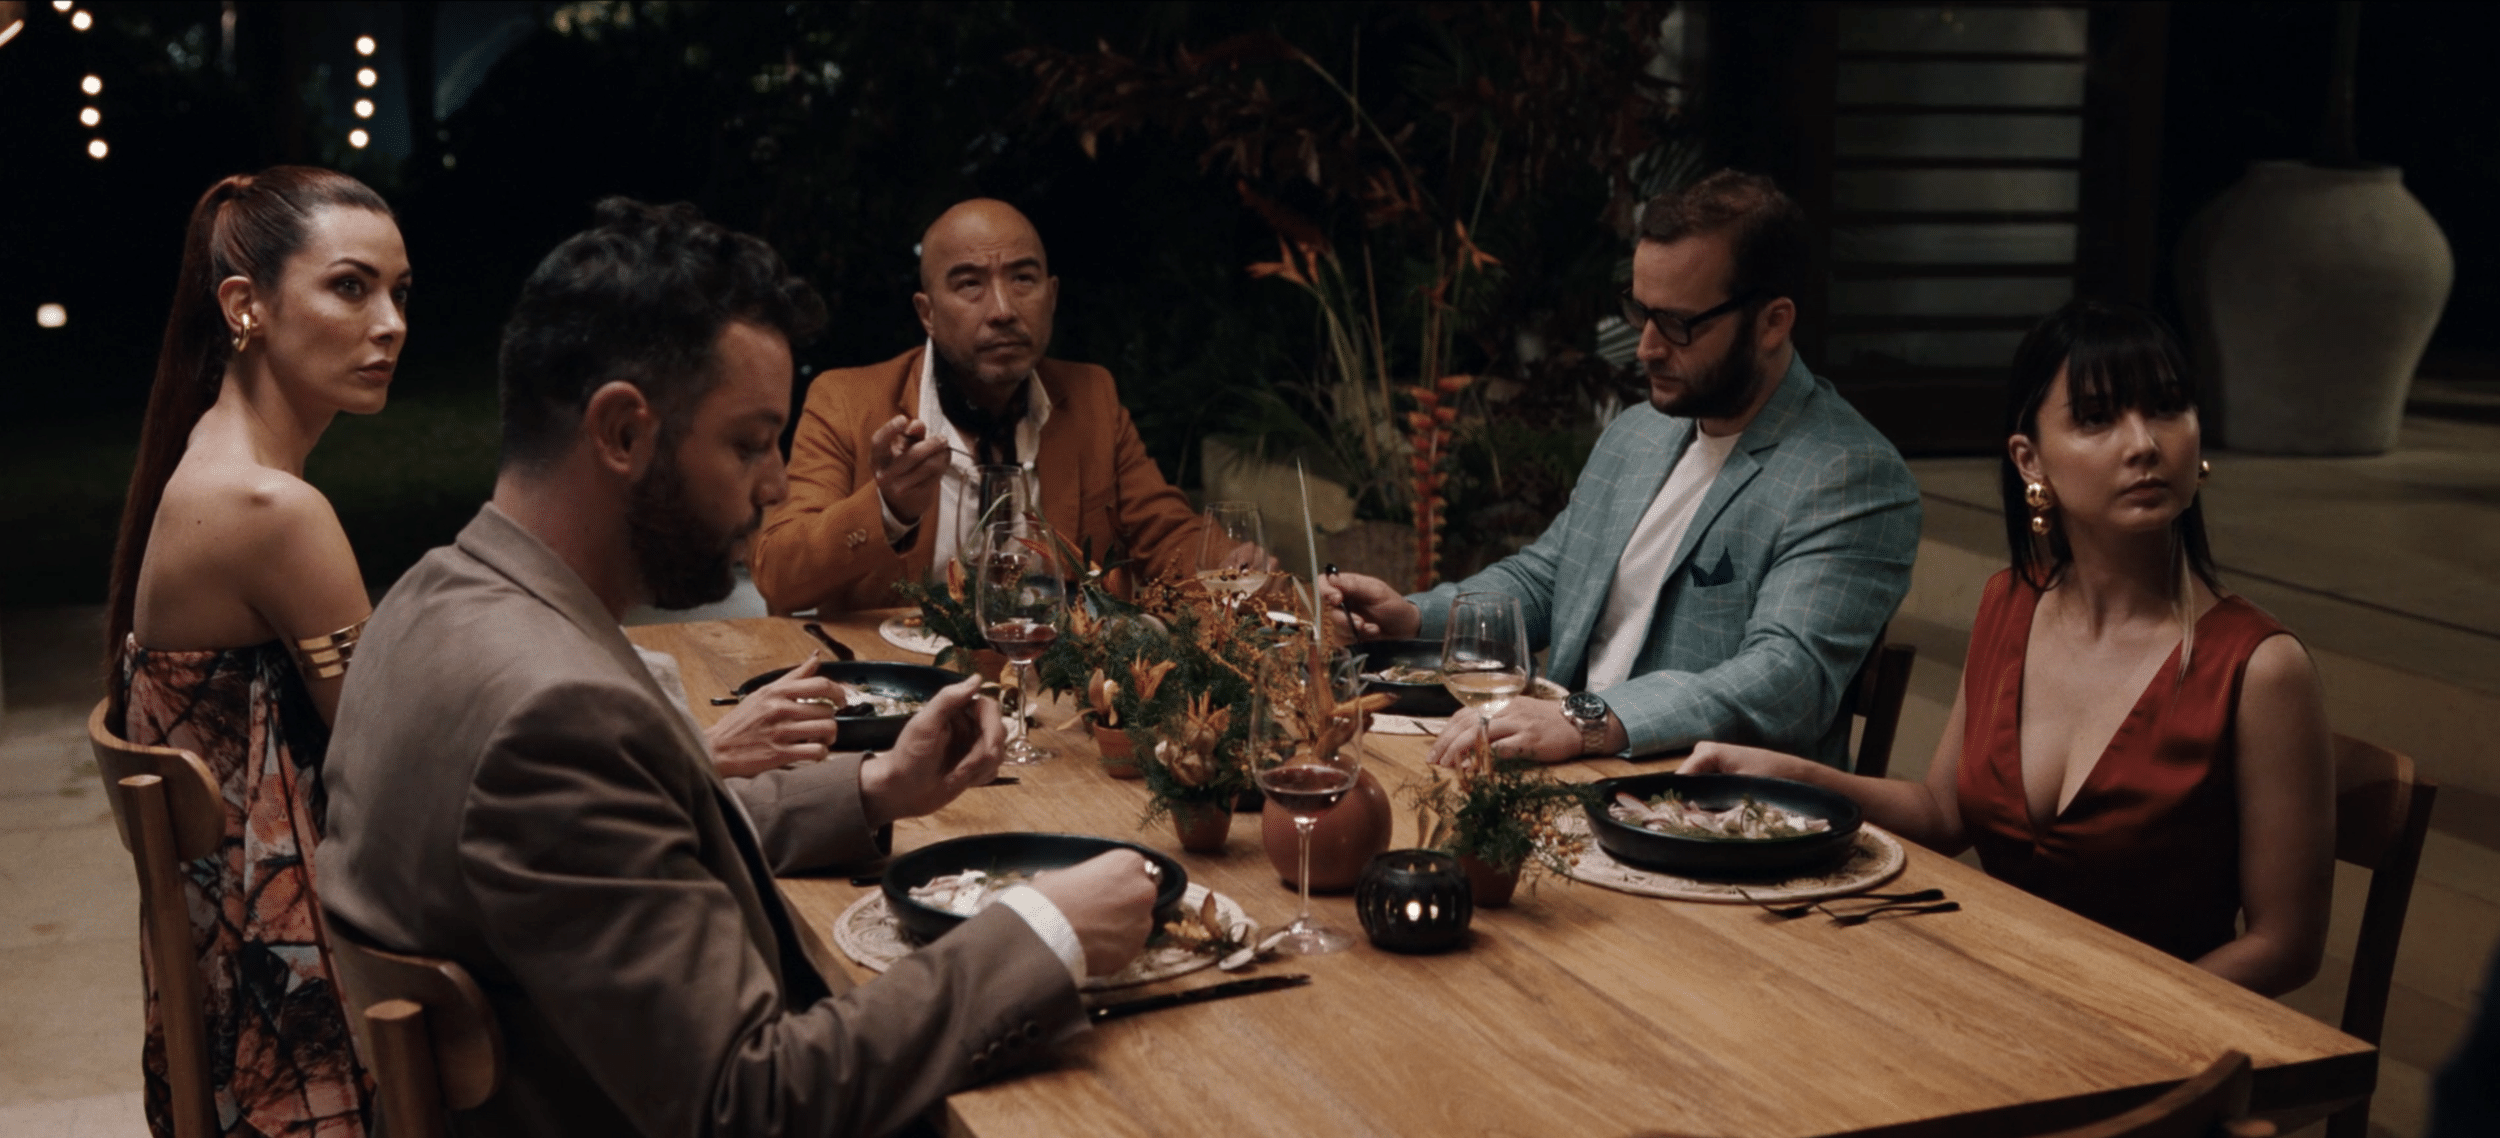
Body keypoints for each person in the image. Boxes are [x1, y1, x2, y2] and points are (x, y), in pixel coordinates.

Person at [315, 198, 1159, 1137]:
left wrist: (873, 787)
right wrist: (1043, 934)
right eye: (749, 444)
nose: (774, 485)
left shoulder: (427, 599)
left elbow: (617, 846)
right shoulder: (553, 716)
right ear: (622, 433)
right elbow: (748, 1103)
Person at [1685, 300, 2334, 995]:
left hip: (2166, 1030)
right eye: (2097, 417)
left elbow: (2284, 945)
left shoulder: (2261, 668)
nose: (2144, 443)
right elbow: (1942, 813)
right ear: (2030, 459)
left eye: (2168, 408)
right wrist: (1784, 777)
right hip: (1997, 991)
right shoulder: (2010, 603)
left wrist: (2127, 1017)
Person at [1322, 170, 1920, 768]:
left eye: (1679, 324)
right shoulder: (1640, 431)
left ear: (1773, 322)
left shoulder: (1849, 476)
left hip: (1693, 792)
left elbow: (1787, 679)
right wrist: (1413, 618)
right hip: (1568, 766)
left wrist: (1588, 720)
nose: (1646, 348)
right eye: (1641, 312)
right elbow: (1550, 580)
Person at [103, 166, 402, 1138]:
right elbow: (396, 761)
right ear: (246, 306)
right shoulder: (270, 508)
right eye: (351, 287)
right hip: (293, 1012)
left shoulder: (211, 453)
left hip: (244, 985)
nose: (390, 324)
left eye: (400, 293)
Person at [750, 198, 1206, 614]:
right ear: (927, 313)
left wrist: (1236, 567)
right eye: (970, 284)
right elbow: (778, 576)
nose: (1003, 310)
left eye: (1023, 279)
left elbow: (1166, 534)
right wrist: (889, 506)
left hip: (1050, 669)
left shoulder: (1091, 396)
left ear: (1051, 296)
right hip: (897, 671)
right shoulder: (847, 402)